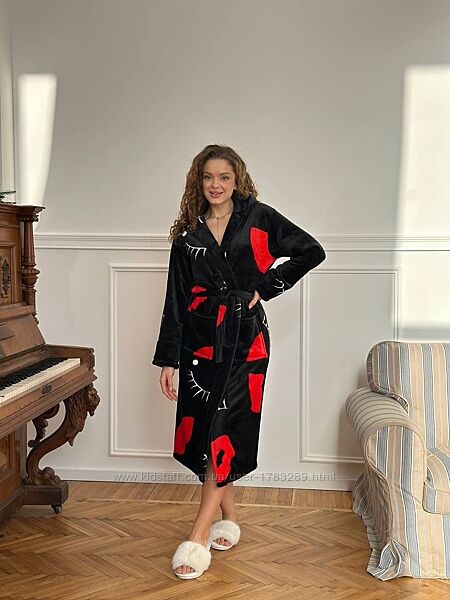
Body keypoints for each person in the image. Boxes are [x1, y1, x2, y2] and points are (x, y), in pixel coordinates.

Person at [152, 144, 326, 579]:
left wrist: (265, 287)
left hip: (247, 343)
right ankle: (228, 518)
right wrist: (169, 359)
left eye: (224, 177)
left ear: (237, 180)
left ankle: (197, 537)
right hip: (200, 345)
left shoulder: (260, 219)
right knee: (208, 433)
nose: (216, 185)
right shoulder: (188, 235)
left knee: (224, 430)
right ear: (198, 181)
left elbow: (311, 250)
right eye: (208, 177)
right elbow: (175, 301)